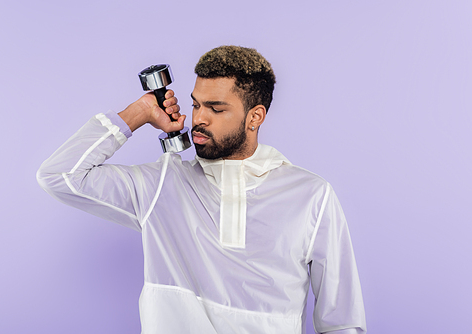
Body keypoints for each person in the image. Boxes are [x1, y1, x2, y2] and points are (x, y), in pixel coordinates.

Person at [37, 45, 367, 334]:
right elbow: (59, 174)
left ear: (255, 117)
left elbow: (341, 321)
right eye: (196, 105)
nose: (198, 119)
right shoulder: (163, 184)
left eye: (216, 108)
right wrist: (139, 112)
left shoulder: (311, 195)